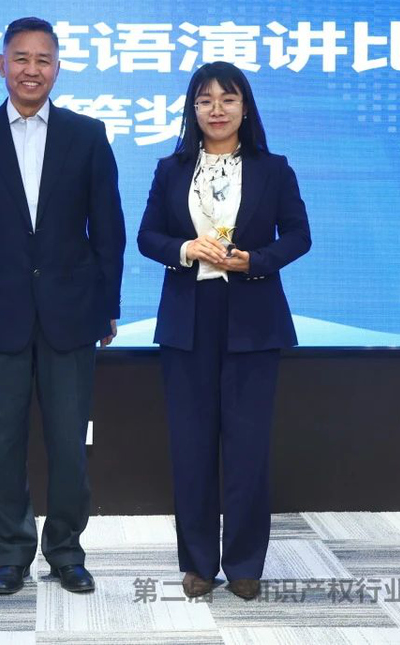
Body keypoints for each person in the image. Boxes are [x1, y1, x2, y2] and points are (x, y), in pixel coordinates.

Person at [0, 17, 125, 596]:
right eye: (21, 58)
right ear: (2, 65)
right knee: (1, 444)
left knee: (70, 444)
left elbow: (109, 228)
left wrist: (109, 304)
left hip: (72, 312)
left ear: (58, 68)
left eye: (43, 59)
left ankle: (66, 551)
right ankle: (12, 553)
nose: (31, 70)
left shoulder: (87, 135)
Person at [137, 61, 311, 601]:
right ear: (192, 109)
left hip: (253, 320)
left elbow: (299, 235)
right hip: (188, 319)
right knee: (191, 446)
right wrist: (185, 248)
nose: (217, 110)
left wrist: (255, 260)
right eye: (205, 100)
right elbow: (147, 237)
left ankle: (244, 563)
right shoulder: (171, 169)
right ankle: (197, 563)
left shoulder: (273, 169)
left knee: (247, 447)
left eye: (228, 99)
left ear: (245, 107)